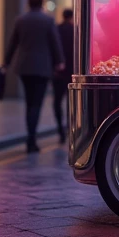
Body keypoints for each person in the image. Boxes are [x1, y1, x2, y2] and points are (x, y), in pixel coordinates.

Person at [4, 0, 64, 153]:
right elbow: (55, 43)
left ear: (28, 4)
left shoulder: (21, 20)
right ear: (42, 4)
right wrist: (60, 62)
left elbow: (13, 43)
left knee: (29, 102)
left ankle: (30, 136)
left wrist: (6, 63)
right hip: (42, 68)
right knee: (36, 103)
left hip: (24, 67)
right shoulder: (48, 20)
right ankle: (32, 139)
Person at [55, 8, 75, 144]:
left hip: (58, 71)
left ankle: (60, 130)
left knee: (57, 101)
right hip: (71, 71)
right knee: (71, 103)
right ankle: (69, 129)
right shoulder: (75, 30)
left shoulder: (56, 29)